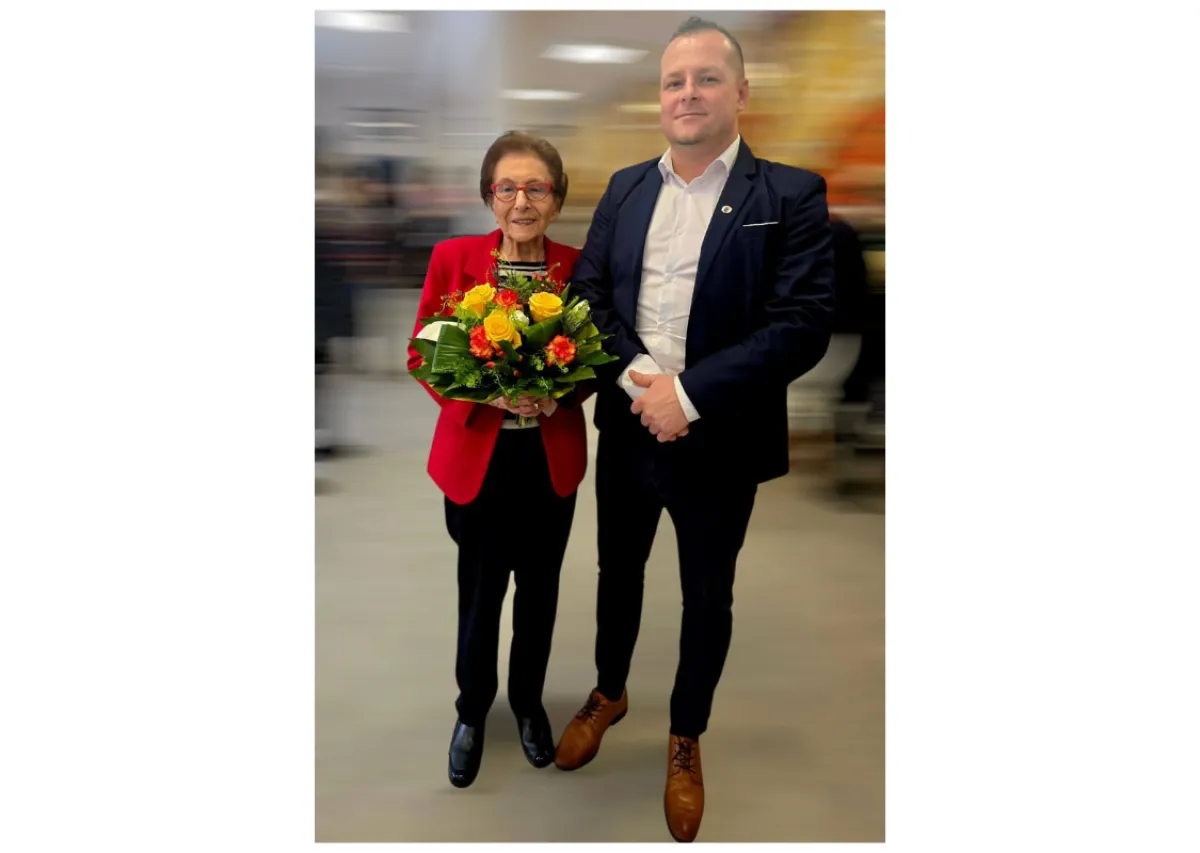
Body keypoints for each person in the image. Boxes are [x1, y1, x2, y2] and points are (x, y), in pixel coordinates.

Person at [553, 17, 836, 842]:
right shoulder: (626, 188)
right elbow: (589, 299)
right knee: (618, 571)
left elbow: (802, 324)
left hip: (723, 436)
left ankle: (686, 734)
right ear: (660, 97)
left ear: (740, 92)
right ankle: (610, 690)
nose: (688, 93)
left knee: (707, 594)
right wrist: (644, 382)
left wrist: (690, 394)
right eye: (674, 81)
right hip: (631, 425)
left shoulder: (788, 194)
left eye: (706, 78)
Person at [405, 131, 590, 789]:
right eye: (507, 188)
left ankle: (529, 705)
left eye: (536, 188)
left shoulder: (577, 266)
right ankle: (472, 712)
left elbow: (596, 357)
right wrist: (484, 391)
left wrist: (558, 392)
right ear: (489, 196)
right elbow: (422, 351)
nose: (521, 202)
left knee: (540, 591)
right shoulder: (455, 258)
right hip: (478, 461)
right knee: (481, 593)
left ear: (556, 199)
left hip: (547, 459)